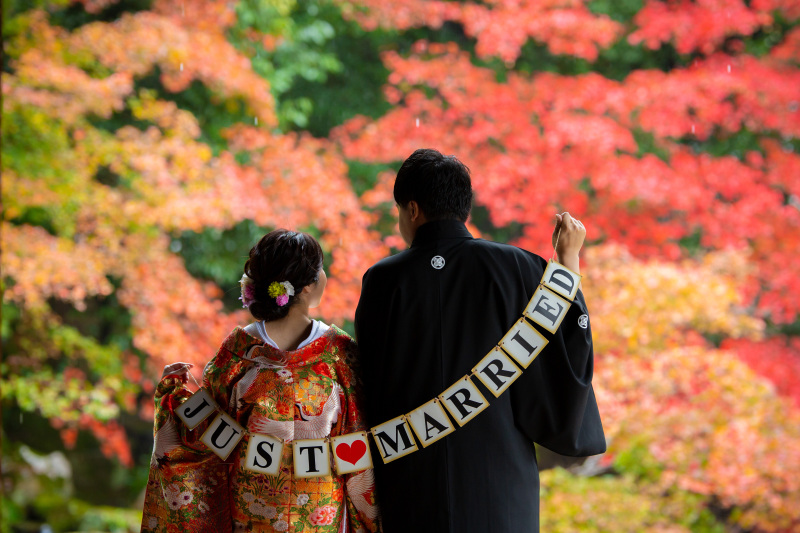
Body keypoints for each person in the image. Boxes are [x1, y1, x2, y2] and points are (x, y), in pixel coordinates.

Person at [354, 149, 606, 532]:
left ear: (412, 209)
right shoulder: (520, 267)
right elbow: (564, 349)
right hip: (499, 485)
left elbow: (367, 385)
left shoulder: (383, 280)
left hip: (412, 484)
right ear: (463, 208)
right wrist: (568, 261)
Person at [141, 229, 380, 533]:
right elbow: (358, 448)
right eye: (320, 270)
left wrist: (178, 402)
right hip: (312, 511)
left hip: (262, 507)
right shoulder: (339, 355)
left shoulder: (239, 354)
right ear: (308, 286)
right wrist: (178, 396)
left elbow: (205, 439)